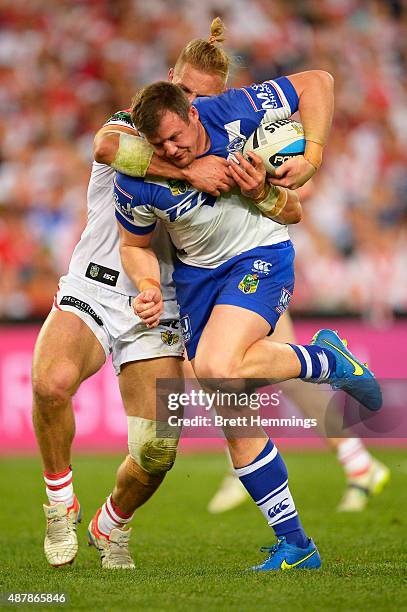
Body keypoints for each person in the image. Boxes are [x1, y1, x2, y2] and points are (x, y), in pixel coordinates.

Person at [32, 18, 330, 570]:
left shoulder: (224, 137)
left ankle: (111, 524)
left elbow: (293, 210)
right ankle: (57, 503)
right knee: (51, 383)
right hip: (99, 285)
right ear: (172, 81)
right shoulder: (137, 124)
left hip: (167, 302)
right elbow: (104, 145)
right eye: (187, 90)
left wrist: (283, 176)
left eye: (206, 101)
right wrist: (187, 169)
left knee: (156, 450)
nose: (196, 108)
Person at [114, 80, 382, 571]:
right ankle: (297, 545)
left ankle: (321, 361)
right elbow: (133, 245)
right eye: (159, 146)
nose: (171, 150)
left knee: (216, 367)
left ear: (193, 114)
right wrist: (149, 285)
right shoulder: (134, 175)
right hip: (196, 280)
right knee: (235, 418)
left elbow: (320, 82)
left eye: (177, 137)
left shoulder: (231, 110)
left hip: (258, 254)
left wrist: (314, 156)